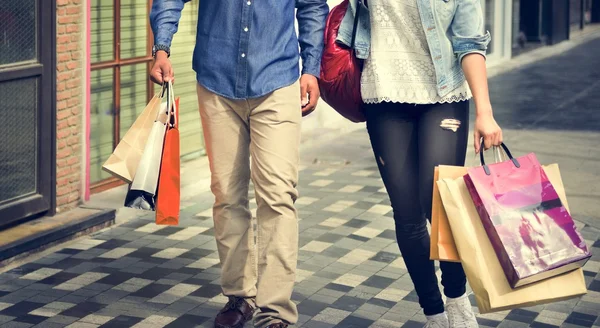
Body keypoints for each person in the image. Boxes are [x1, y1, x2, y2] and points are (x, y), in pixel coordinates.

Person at [149, 1, 328, 327]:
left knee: (277, 194)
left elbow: (313, 6)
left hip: (277, 79)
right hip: (217, 81)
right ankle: (240, 295)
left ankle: (275, 311)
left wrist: (312, 69)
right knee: (227, 193)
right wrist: (161, 48)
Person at [338, 0, 503, 327]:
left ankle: (456, 298)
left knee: (442, 203)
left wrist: (485, 111)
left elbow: (469, 42)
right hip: (383, 95)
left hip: (442, 96)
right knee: (407, 211)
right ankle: (434, 312)